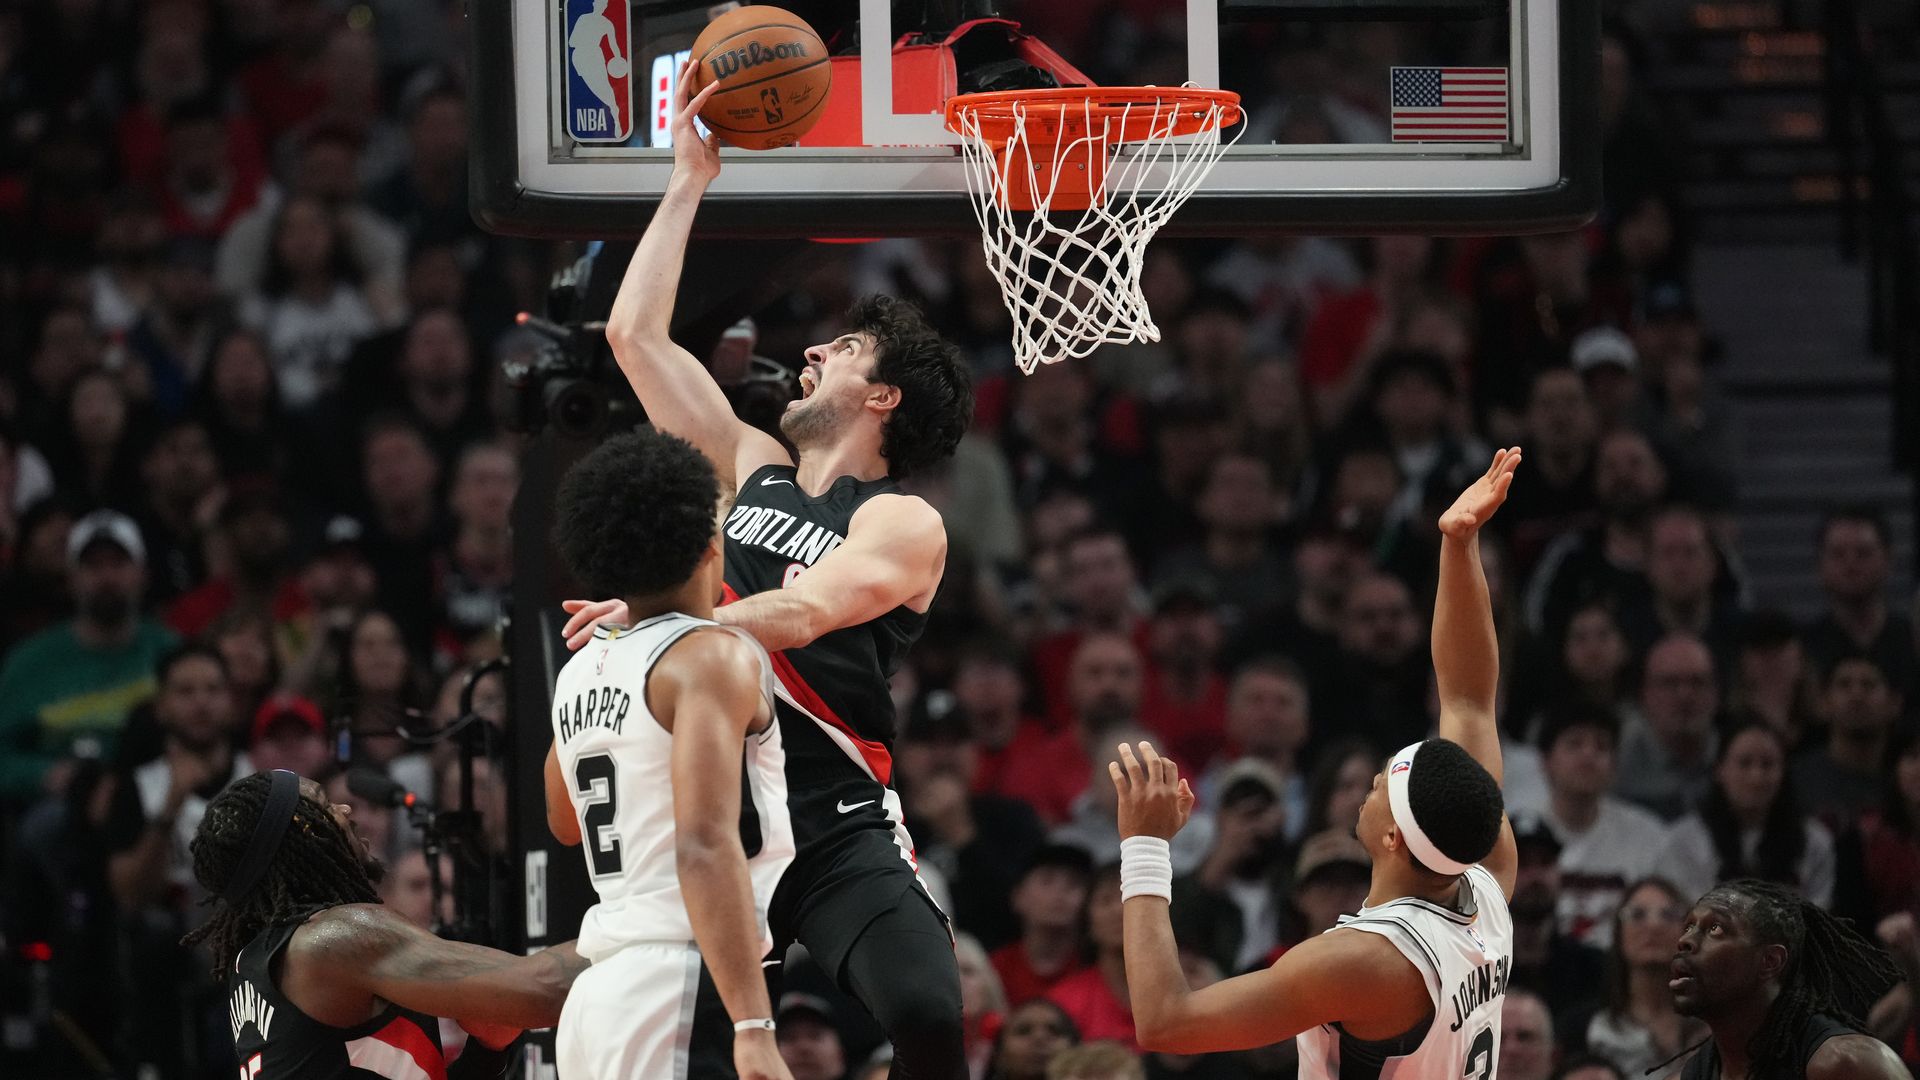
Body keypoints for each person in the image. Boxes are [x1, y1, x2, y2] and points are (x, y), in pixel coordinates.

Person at [1110, 449, 1523, 1074]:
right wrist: (1458, 546)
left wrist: (1144, 844)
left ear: (1391, 837)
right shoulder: (1485, 877)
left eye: (1388, 781)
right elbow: (1467, 697)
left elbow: (1167, 1021)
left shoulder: (1367, 961)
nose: (1376, 777)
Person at [542, 430, 796, 1080]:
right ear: (713, 549)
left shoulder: (581, 669)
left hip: (597, 1000)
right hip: (682, 978)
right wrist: (753, 1025)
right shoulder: (710, 656)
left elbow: (567, 824)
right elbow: (705, 842)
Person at [181, 770, 586, 1078]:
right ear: (303, 829)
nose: (346, 810)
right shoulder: (334, 940)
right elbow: (544, 988)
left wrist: (485, 1048)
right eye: (325, 803)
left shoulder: (254, 964)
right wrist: (636, 929)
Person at [1669, 878, 1910, 1079]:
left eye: (1715, 929)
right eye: (1689, 926)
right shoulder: (1697, 1073)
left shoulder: (1846, 1064)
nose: (1685, 940)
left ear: (1770, 961)